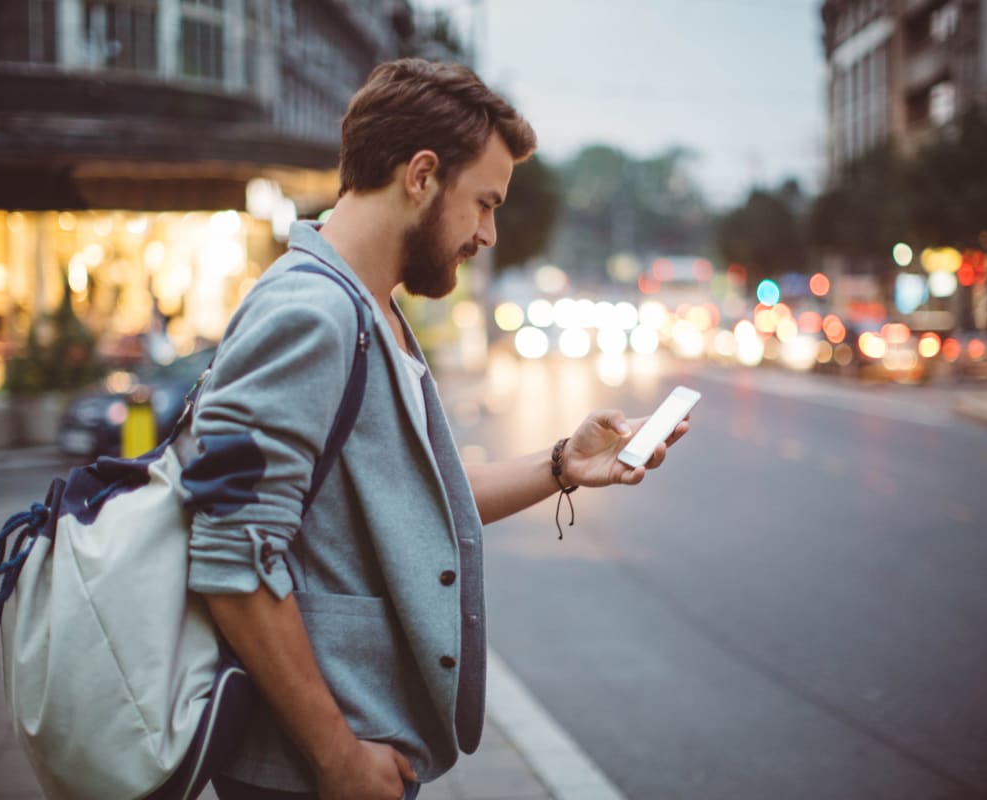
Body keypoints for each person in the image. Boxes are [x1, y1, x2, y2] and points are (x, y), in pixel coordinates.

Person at [185, 58, 689, 800]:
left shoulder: (369, 309)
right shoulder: (310, 312)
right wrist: (337, 759)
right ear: (421, 175)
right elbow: (230, 555)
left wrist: (563, 463)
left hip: (353, 754)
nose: (489, 234)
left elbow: (416, 503)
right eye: (484, 203)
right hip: (306, 771)